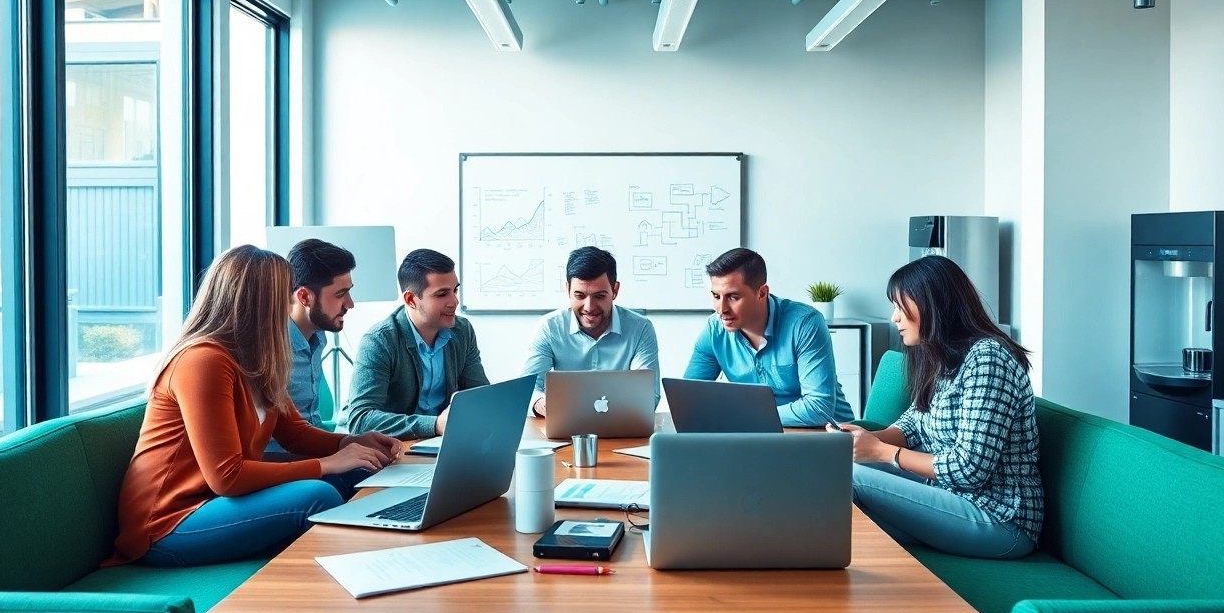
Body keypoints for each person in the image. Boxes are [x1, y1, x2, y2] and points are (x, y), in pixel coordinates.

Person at [732, 255, 1042, 613]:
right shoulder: (944, 357)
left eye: (900, 305)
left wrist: (879, 453)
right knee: (826, 469)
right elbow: (913, 425)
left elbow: (970, 469)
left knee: (848, 479)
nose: (894, 316)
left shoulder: (989, 358)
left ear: (934, 304)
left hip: (1002, 519)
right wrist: (862, 439)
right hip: (952, 498)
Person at [107, 245, 403, 570]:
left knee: (355, 473)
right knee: (319, 495)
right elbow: (226, 476)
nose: (291, 307)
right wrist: (327, 463)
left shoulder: (256, 359)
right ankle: (353, 583)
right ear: (260, 304)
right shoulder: (203, 360)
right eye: (285, 298)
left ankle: (390, 561)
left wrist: (352, 444)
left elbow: (294, 433)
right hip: (169, 523)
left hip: (219, 503)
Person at [683, 248, 853, 426]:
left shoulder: (805, 323)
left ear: (762, 293)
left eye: (733, 297)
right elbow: (688, 400)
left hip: (828, 437)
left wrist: (745, 416)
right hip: (759, 435)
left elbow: (819, 409)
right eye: (716, 296)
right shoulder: (714, 330)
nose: (721, 309)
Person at [345, 249, 489, 439]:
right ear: (411, 299)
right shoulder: (379, 341)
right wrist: (434, 425)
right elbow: (360, 420)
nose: (454, 301)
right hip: (395, 449)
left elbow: (479, 394)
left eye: (455, 290)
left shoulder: (462, 331)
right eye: (441, 294)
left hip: (445, 443)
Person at [520, 246, 660, 417]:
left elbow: (648, 395)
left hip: (622, 426)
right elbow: (526, 390)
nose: (589, 307)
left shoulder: (640, 328)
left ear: (615, 290)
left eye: (599, 296)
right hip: (566, 428)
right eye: (579, 296)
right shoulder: (550, 327)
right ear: (568, 290)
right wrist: (540, 403)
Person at [264, 238, 356, 462]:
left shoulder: (318, 335)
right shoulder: (268, 350)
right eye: (340, 294)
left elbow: (309, 427)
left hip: (313, 452)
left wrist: (354, 443)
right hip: (277, 462)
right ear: (304, 296)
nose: (350, 304)